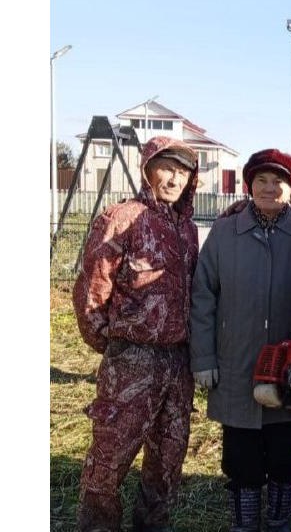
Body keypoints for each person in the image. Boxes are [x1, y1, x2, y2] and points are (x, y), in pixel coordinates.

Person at [72, 136, 199, 532]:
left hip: (179, 362)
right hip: (132, 359)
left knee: (167, 459)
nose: (174, 178)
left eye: (183, 171)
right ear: (147, 170)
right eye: (167, 168)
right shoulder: (121, 218)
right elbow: (91, 289)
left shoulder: (190, 229)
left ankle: (152, 525)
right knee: (109, 460)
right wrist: (114, 345)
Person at [190, 149, 291, 531]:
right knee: (241, 458)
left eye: (278, 181)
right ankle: (245, 524)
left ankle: (279, 522)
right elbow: (203, 295)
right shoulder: (226, 233)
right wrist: (204, 358)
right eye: (261, 180)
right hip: (235, 364)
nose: (269, 187)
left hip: (287, 369)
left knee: (283, 454)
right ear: (248, 185)